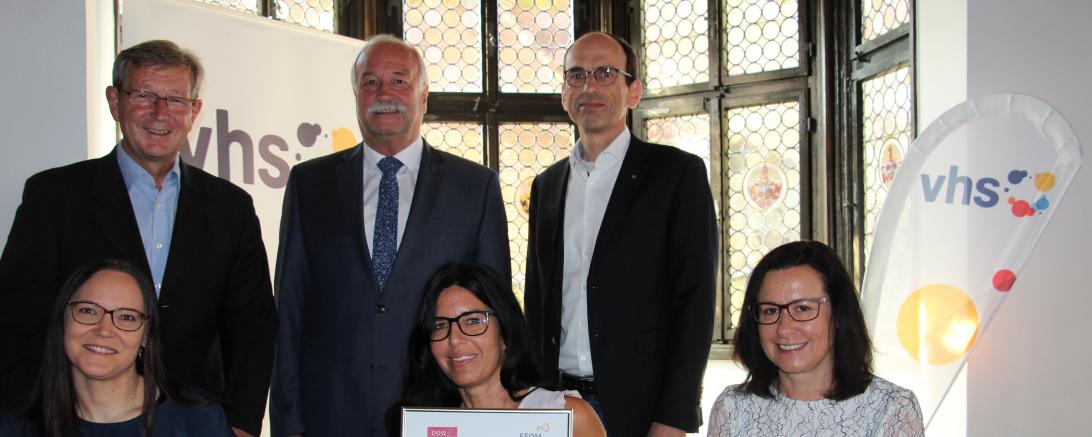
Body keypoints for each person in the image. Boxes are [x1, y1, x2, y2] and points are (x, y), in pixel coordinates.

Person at [0, 40, 275, 437]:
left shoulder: (230, 207)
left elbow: (252, 325)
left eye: (175, 100)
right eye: (144, 95)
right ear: (115, 102)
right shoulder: (54, 196)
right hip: (75, 418)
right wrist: (25, 419)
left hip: (192, 421)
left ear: (194, 111)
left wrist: (240, 423)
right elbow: (17, 319)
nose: (160, 113)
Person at [271, 34, 511, 437]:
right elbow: (290, 308)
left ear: (424, 96)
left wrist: (493, 415)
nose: (384, 93)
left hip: (439, 411)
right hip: (329, 413)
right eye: (370, 82)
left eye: (400, 81)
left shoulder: (475, 188)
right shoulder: (309, 184)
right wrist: (288, 422)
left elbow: (494, 314)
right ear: (356, 95)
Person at [524, 32, 718, 436]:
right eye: (577, 75)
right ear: (564, 94)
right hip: (556, 403)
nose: (589, 86)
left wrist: (674, 416)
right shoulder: (547, 185)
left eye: (605, 73)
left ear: (634, 92)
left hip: (642, 409)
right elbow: (537, 302)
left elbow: (695, 301)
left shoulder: (676, 174)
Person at [707, 241, 924, 436]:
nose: (784, 328)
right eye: (770, 311)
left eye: (802, 308)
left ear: (838, 313)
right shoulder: (732, 409)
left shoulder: (892, 409)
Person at [0, 260, 232, 436]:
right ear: (62, 321)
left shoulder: (198, 421)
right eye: (88, 310)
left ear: (146, 335)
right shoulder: (17, 427)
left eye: (127, 317)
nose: (104, 330)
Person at [389, 262, 604, 437]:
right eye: (440, 325)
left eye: (473, 321)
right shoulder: (423, 427)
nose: (454, 339)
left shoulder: (567, 417)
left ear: (505, 331)